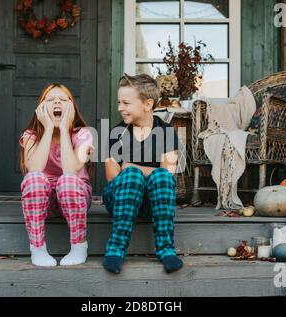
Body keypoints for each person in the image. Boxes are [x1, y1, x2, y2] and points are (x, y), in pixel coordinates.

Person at [103, 74, 183, 274]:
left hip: (153, 203)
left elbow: (168, 173)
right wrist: (133, 171)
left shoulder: (166, 132)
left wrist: (131, 166)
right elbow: (112, 176)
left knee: (159, 177)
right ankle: (116, 248)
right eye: (119, 102)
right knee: (131, 176)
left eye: (126, 103)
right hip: (120, 200)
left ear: (147, 104)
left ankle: (165, 248)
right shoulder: (117, 132)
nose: (120, 108)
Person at [19, 84, 94, 267]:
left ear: (72, 107)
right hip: (44, 202)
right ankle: (37, 248)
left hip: (74, 197)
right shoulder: (30, 136)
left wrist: (64, 128)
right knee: (34, 179)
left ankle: (78, 246)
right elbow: (34, 169)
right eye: (50, 100)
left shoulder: (84, 135)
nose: (57, 103)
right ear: (41, 108)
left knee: (67, 180)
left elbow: (70, 169)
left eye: (62, 100)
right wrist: (48, 129)